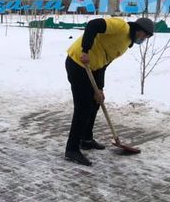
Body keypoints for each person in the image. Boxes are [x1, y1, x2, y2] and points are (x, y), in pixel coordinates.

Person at [64, 17, 154, 166]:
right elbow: (93, 25)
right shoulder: (121, 26)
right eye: (145, 36)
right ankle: (72, 149)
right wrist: (85, 50)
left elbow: (104, 63)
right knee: (83, 108)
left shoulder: (126, 44)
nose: (144, 39)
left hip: (92, 68)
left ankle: (86, 139)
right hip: (78, 63)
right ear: (139, 30)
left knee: (95, 102)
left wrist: (100, 88)